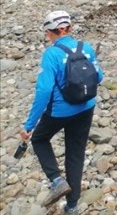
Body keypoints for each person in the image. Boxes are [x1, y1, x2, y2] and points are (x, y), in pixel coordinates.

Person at [20, 11, 104, 215]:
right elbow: (99, 77)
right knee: (75, 153)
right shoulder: (87, 48)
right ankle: (72, 206)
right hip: (86, 107)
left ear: (50, 32)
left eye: (47, 33)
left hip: (60, 111)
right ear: (69, 28)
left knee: (39, 139)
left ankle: (57, 180)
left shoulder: (51, 54)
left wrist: (29, 125)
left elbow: (44, 91)